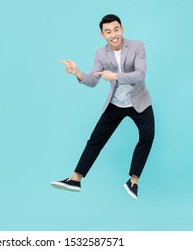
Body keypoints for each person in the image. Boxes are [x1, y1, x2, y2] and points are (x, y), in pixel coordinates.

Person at [51, 14, 155, 200]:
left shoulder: (137, 46)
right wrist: (77, 72)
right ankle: (75, 179)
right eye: (108, 31)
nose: (113, 34)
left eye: (116, 29)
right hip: (115, 103)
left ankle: (133, 181)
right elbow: (93, 81)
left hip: (139, 101)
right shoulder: (100, 53)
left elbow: (140, 75)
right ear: (102, 35)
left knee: (147, 135)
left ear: (121, 29)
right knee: (96, 140)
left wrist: (115, 76)